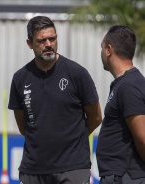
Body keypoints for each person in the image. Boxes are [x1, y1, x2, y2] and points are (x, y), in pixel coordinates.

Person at [8, 16, 102, 184]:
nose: (48, 44)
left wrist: (70, 139)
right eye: (42, 40)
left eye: (52, 38)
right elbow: (24, 127)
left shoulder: (77, 73)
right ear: (29, 43)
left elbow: (96, 117)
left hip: (73, 168)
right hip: (33, 170)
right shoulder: (20, 78)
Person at [97, 25, 145, 183]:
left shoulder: (129, 86)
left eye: (102, 47)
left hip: (126, 177)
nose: (101, 53)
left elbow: (143, 138)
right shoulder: (124, 83)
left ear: (109, 50)